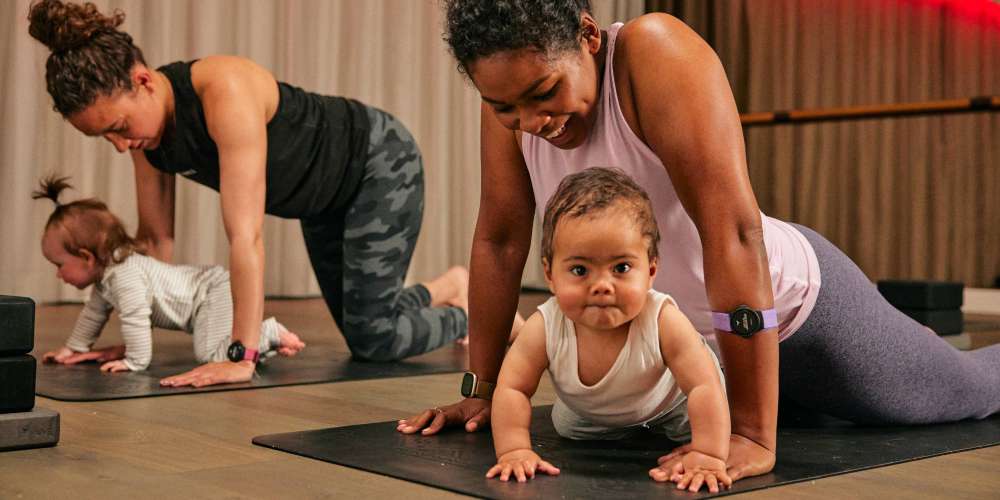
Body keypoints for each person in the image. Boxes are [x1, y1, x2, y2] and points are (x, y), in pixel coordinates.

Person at [400, 0, 1000, 484]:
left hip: (793, 315)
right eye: (504, 106)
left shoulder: (654, 52)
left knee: (969, 391)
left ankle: (908, 347)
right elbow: (501, 239)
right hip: (696, 355)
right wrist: (478, 391)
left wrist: (752, 433)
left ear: (587, 35)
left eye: (544, 93)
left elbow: (733, 231)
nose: (530, 122)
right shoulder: (510, 102)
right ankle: (903, 345)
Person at [28, 0, 476, 387]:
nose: (121, 145)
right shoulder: (146, 141)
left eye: (120, 128)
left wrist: (240, 356)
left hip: (376, 163)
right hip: (318, 200)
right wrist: (131, 343)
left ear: (143, 81)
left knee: (374, 341)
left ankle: (477, 317)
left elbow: (245, 235)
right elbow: (153, 246)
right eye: (106, 138)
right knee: (366, 324)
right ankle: (452, 286)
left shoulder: (223, 89)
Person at [487, 168, 730, 493]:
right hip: (591, 414)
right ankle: (607, 417)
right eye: (579, 270)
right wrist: (514, 449)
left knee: (708, 409)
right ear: (549, 274)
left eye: (621, 268)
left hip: (673, 402)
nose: (602, 285)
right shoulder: (545, 326)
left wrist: (709, 454)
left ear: (651, 270)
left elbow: (702, 386)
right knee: (567, 426)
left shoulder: (662, 319)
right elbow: (512, 389)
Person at [35, 176, 306, 372]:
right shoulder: (106, 280)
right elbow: (92, 315)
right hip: (209, 291)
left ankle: (267, 332)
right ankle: (265, 341)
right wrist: (73, 348)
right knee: (217, 347)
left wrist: (135, 361)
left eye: (59, 265)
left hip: (209, 293)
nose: (59, 275)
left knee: (209, 354)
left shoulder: (124, 277)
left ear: (86, 257)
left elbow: (136, 320)